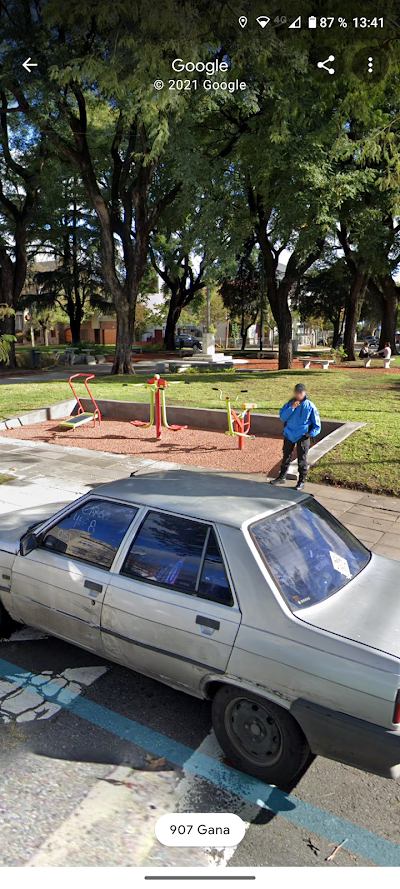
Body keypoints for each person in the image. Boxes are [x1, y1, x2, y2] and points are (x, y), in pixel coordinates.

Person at [270, 383, 321, 491]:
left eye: (301, 393)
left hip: (302, 435)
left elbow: (317, 424)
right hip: (289, 434)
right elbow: (283, 417)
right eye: (297, 392)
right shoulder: (289, 404)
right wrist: (292, 408)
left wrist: (310, 434)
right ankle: (282, 477)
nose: (298, 395)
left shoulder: (310, 406)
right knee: (286, 456)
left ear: (305, 393)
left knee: (302, 459)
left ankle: (301, 481)